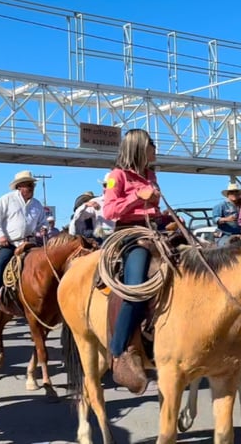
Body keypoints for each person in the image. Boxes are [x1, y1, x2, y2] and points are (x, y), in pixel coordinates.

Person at [100, 128, 163, 395]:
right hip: (130, 233)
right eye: (151, 145)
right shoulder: (117, 177)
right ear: (138, 147)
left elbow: (155, 207)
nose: (155, 150)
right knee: (135, 287)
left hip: (155, 230)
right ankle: (117, 350)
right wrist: (138, 196)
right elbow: (109, 211)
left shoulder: (151, 174)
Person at [0, 170, 46, 329]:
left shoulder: (37, 204)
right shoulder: (6, 199)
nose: (31, 187)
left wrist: (42, 229)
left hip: (29, 242)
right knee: (1, 263)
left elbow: (41, 223)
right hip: (9, 243)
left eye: (32, 185)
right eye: (28, 185)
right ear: (19, 187)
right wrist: (1, 236)